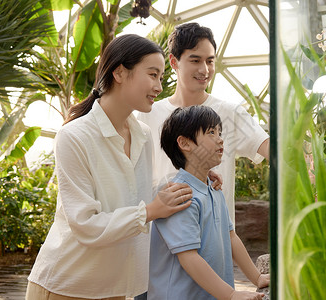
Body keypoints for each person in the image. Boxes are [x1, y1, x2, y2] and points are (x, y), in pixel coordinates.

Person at [25, 34, 193, 300]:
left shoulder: (143, 135)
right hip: (66, 286)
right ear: (119, 72)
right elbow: (86, 223)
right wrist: (150, 211)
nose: (159, 86)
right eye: (152, 75)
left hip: (116, 289)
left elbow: (144, 193)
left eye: (161, 77)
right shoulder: (74, 136)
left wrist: (195, 177)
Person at [138, 22, 269, 224]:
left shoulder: (230, 112)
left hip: (217, 234)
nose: (204, 69)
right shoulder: (149, 114)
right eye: (195, 60)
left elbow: (271, 149)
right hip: (166, 234)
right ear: (174, 62)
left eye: (210, 61)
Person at [147, 105, 270, 300]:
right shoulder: (179, 195)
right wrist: (230, 294)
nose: (220, 138)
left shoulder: (213, 189)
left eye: (220, 132)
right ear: (185, 143)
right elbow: (189, 257)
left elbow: (231, 238)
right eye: (211, 132)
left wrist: (257, 278)